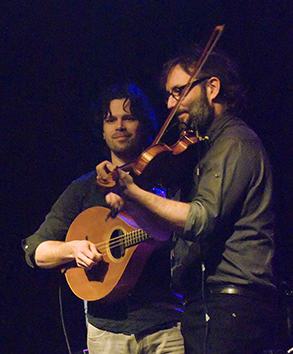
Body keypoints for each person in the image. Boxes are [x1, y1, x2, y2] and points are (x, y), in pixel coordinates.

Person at [98, 49, 278, 353]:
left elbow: (200, 219)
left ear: (212, 88)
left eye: (179, 92)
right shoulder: (202, 149)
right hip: (208, 301)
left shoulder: (234, 142)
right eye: (169, 95)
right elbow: (170, 226)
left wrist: (133, 190)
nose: (170, 103)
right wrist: (131, 201)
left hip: (231, 303)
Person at [22, 83, 185, 353]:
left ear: (144, 125)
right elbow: (36, 250)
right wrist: (71, 249)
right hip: (106, 331)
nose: (119, 126)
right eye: (111, 120)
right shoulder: (83, 189)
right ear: (102, 129)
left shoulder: (167, 183)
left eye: (128, 117)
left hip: (166, 325)